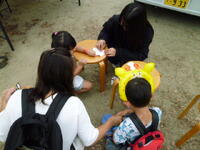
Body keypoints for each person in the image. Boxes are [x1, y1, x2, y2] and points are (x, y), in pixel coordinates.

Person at [0, 49, 122, 150]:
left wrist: (2, 108)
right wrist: (111, 121)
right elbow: (89, 139)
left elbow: (4, 136)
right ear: (70, 76)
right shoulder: (73, 104)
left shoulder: (15, 96)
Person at [104, 78, 162, 150]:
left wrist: (115, 127)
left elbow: (117, 141)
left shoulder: (126, 125)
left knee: (106, 118)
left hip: (133, 145)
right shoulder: (157, 111)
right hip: (147, 139)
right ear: (151, 97)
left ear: (127, 103)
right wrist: (129, 111)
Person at [96, 2, 154, 66]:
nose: (123, 26)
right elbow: (106, 31)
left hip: (128, 55)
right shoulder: (116, 19)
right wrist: (102, 39)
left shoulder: (147, 32)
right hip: (112, 50)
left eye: (127, 26)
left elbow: (141, 55)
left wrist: (118, 52)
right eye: (122, 22)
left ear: (137, 26)